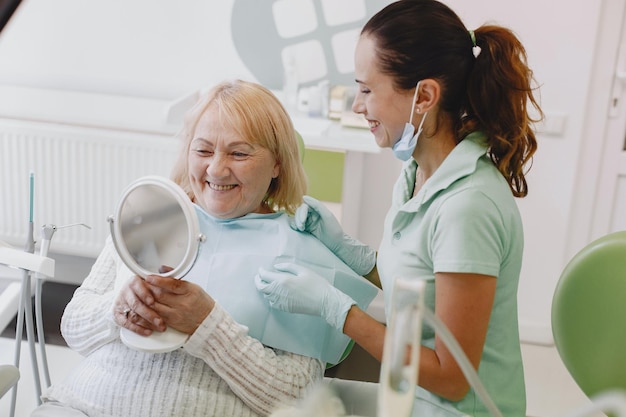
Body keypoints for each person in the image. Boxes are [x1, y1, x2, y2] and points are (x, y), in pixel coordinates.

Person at [255, 1, 543, 416]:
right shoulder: (417, 174)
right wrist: (348, 251)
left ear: (424, 96)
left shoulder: (468, 207)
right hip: (408, 397)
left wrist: (336, 309)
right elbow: (422, 289)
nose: (357, 105)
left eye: (368, 90)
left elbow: (451, 376)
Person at [32, 79, 377, 417]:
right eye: (203, 149)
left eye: (239, 153)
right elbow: (73, 328)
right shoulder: (154, 212)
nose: (216, 168)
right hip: (82, 404)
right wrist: (118, 307)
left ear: (277, 164)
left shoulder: (300, 250)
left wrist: (207, 326)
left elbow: (295, 397)